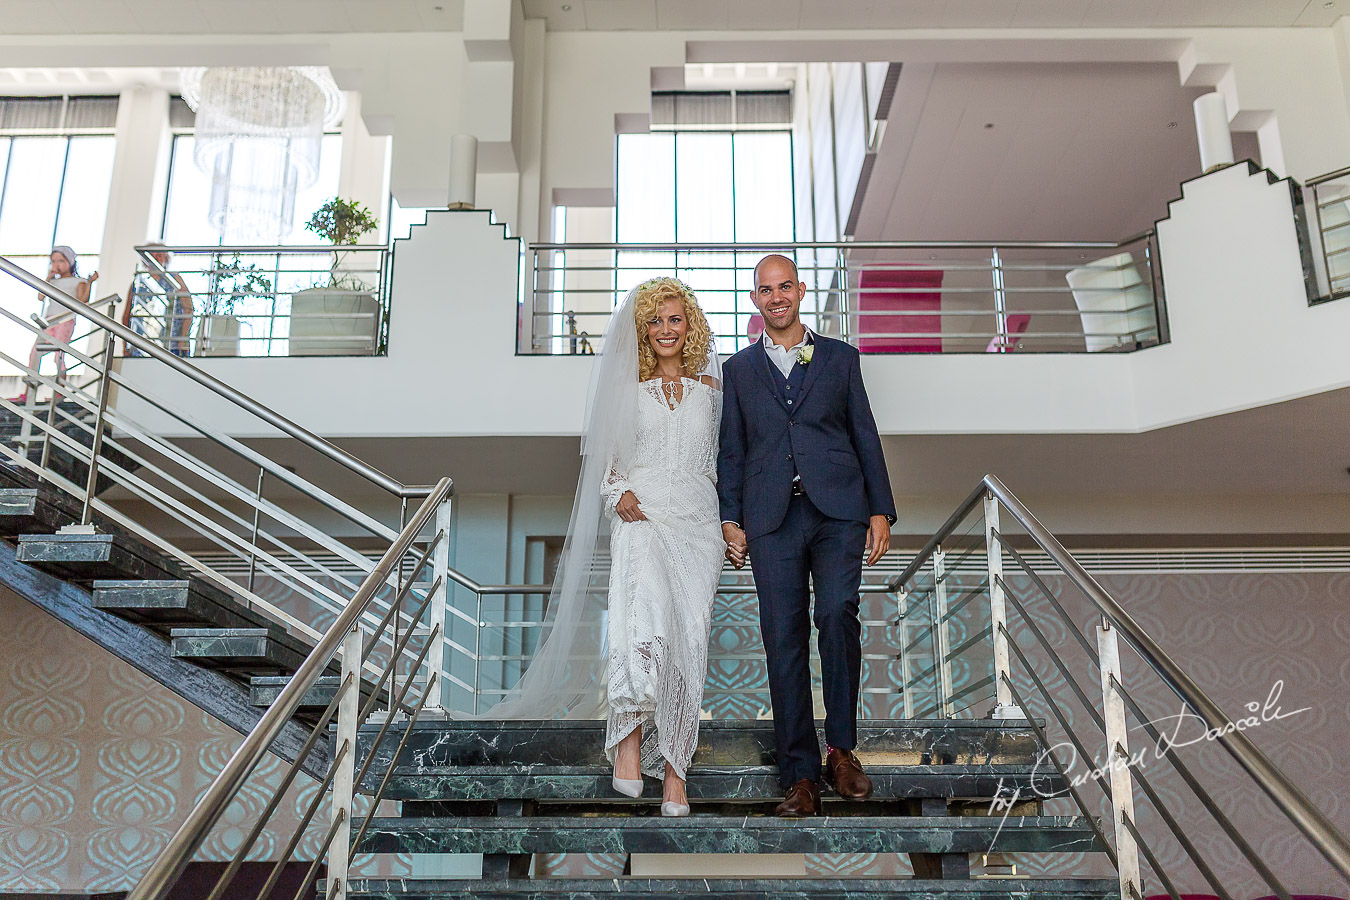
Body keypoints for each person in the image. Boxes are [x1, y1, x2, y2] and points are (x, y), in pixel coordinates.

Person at [467, 277, 723, 820]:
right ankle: (628, 744)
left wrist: (731, 521)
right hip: (644, 513)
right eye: (654, 322)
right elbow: (606, 459)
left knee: (689, 643)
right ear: (641, 330)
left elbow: (725, 459)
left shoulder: (713, 390)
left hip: (698, 525)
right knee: (641, 625)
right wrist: (618, 489)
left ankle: (676, 775)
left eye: (675, 320)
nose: (665, 331)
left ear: (690, 325)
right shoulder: (625, 389)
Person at [717, 253, 896, 818]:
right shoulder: (738, 371)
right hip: (770, 518)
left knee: (838, 612)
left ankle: (842, 749)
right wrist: (730, 518)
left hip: (838, 509)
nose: (776, 297)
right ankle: (800, 775)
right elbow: (731, 450)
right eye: (765, 290)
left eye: (785, 286)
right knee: (781, 638)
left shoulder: (841, 359)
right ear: (755, 300)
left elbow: (864, 433)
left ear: (800, 291)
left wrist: (880, 510)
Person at [19, 246, 97, 400]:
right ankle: (28, 392)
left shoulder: (78, 281)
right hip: (48, 321)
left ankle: (59, 392)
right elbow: (41, 296)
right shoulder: (52, 282)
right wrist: (49, 277)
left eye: (61, 260)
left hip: (65, 321)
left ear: (70, 262)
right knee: (35, 353)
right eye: (53, 261)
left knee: (58, 355)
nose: (57, 265)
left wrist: (90, 282)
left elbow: (83, 300)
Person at [124, 243, 192, 357]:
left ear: (166, 259)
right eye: (152, 255)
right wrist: (126, 345)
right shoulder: (138, 282)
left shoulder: (175, 279)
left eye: (159, 255)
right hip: (141, 344)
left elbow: (188, 309)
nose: (155, 259)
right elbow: (127, 316)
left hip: (170, 344)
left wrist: (183, 340)